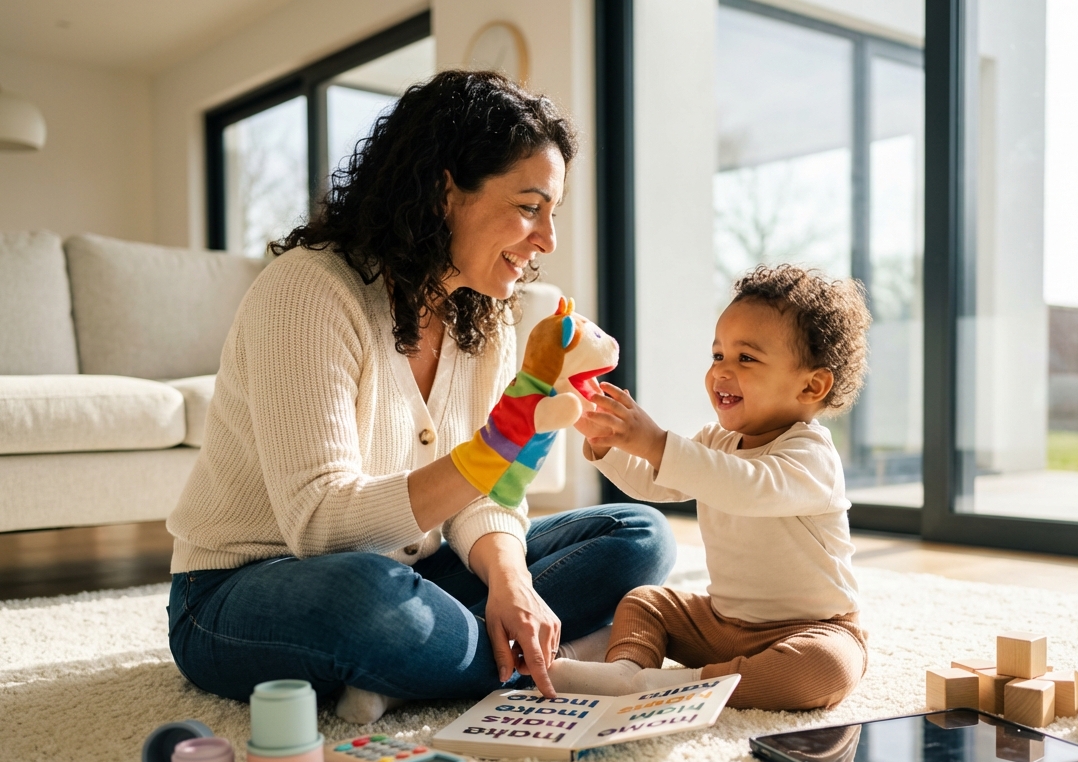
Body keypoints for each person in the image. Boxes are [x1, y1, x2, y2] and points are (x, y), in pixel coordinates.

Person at [165, 70, 673, 724]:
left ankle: (421, 665)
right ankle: (546, 660)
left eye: (553, 212)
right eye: (528, 206)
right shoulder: (308, 293)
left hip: (420, 572)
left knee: (637, 534)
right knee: (363, 597)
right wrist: (496, 448)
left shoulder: (484, 315)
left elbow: (483, 500)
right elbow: (319, 524)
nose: (547, 238)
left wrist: (510, 580)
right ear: (444, 190)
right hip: (250, 588)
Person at [549, 264, 870, 711]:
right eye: (718, 356)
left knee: (826, 668)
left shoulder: (811, 456)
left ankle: (671, 686)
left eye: (747, 358)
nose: (721, 371)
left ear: (811, 385)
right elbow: (655, 483)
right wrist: (608, 443)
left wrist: (658, 442)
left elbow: (747, 486)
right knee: (645, 602)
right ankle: (625, 669)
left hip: (810, 628)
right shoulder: (716, 442)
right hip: (721, 623)